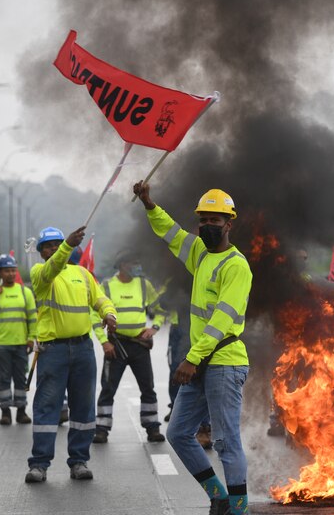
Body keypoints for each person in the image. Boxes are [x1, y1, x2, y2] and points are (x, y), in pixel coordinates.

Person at [134, 183, 253, 515]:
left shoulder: (236, 265)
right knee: (178, 433)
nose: (208, 226)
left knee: (226, 442)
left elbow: (222, 318)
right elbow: (171, 233)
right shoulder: (200, 253)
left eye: (216, 220)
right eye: (203, 220)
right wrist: (149, 204)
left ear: (230, 223)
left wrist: (191, 358)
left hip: (224, 361)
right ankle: (218, 497)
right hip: (202, 361)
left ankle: (238, 509)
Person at [25, 226, 117, 484]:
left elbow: (101, 300)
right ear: (42, 252)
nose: (54, 248)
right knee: (46, 408)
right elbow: (53, 267)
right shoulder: (41, 273)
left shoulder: (83, 274)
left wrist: (109, 314)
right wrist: (67, 245)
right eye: (49, 246)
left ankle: (79, 461)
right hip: (52, 350)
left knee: (83, 407)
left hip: (83, 349)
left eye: (58, 244)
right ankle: (39, 465)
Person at [92, 251, 166, 444]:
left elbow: (160, 310)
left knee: (148, 388)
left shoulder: (144, 285)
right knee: (108, 389)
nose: (137, 266)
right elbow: (94, 315)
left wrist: (155, 328)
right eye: (134, 262)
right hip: (116, 345)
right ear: (123, 264)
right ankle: (101, 429)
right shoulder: (107, 286)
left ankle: (152, 428)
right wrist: (104, 341)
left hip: (139, 345)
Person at [0, 254, 36, 425]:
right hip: (1, 344)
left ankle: (21, 411)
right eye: (7, 271)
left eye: (13, 270)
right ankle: (5, 412)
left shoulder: (25, 292)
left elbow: (32, 317)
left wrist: (31, 338)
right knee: (4, 378)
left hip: (21, 344)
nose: (11, 274)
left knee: (21, 378)